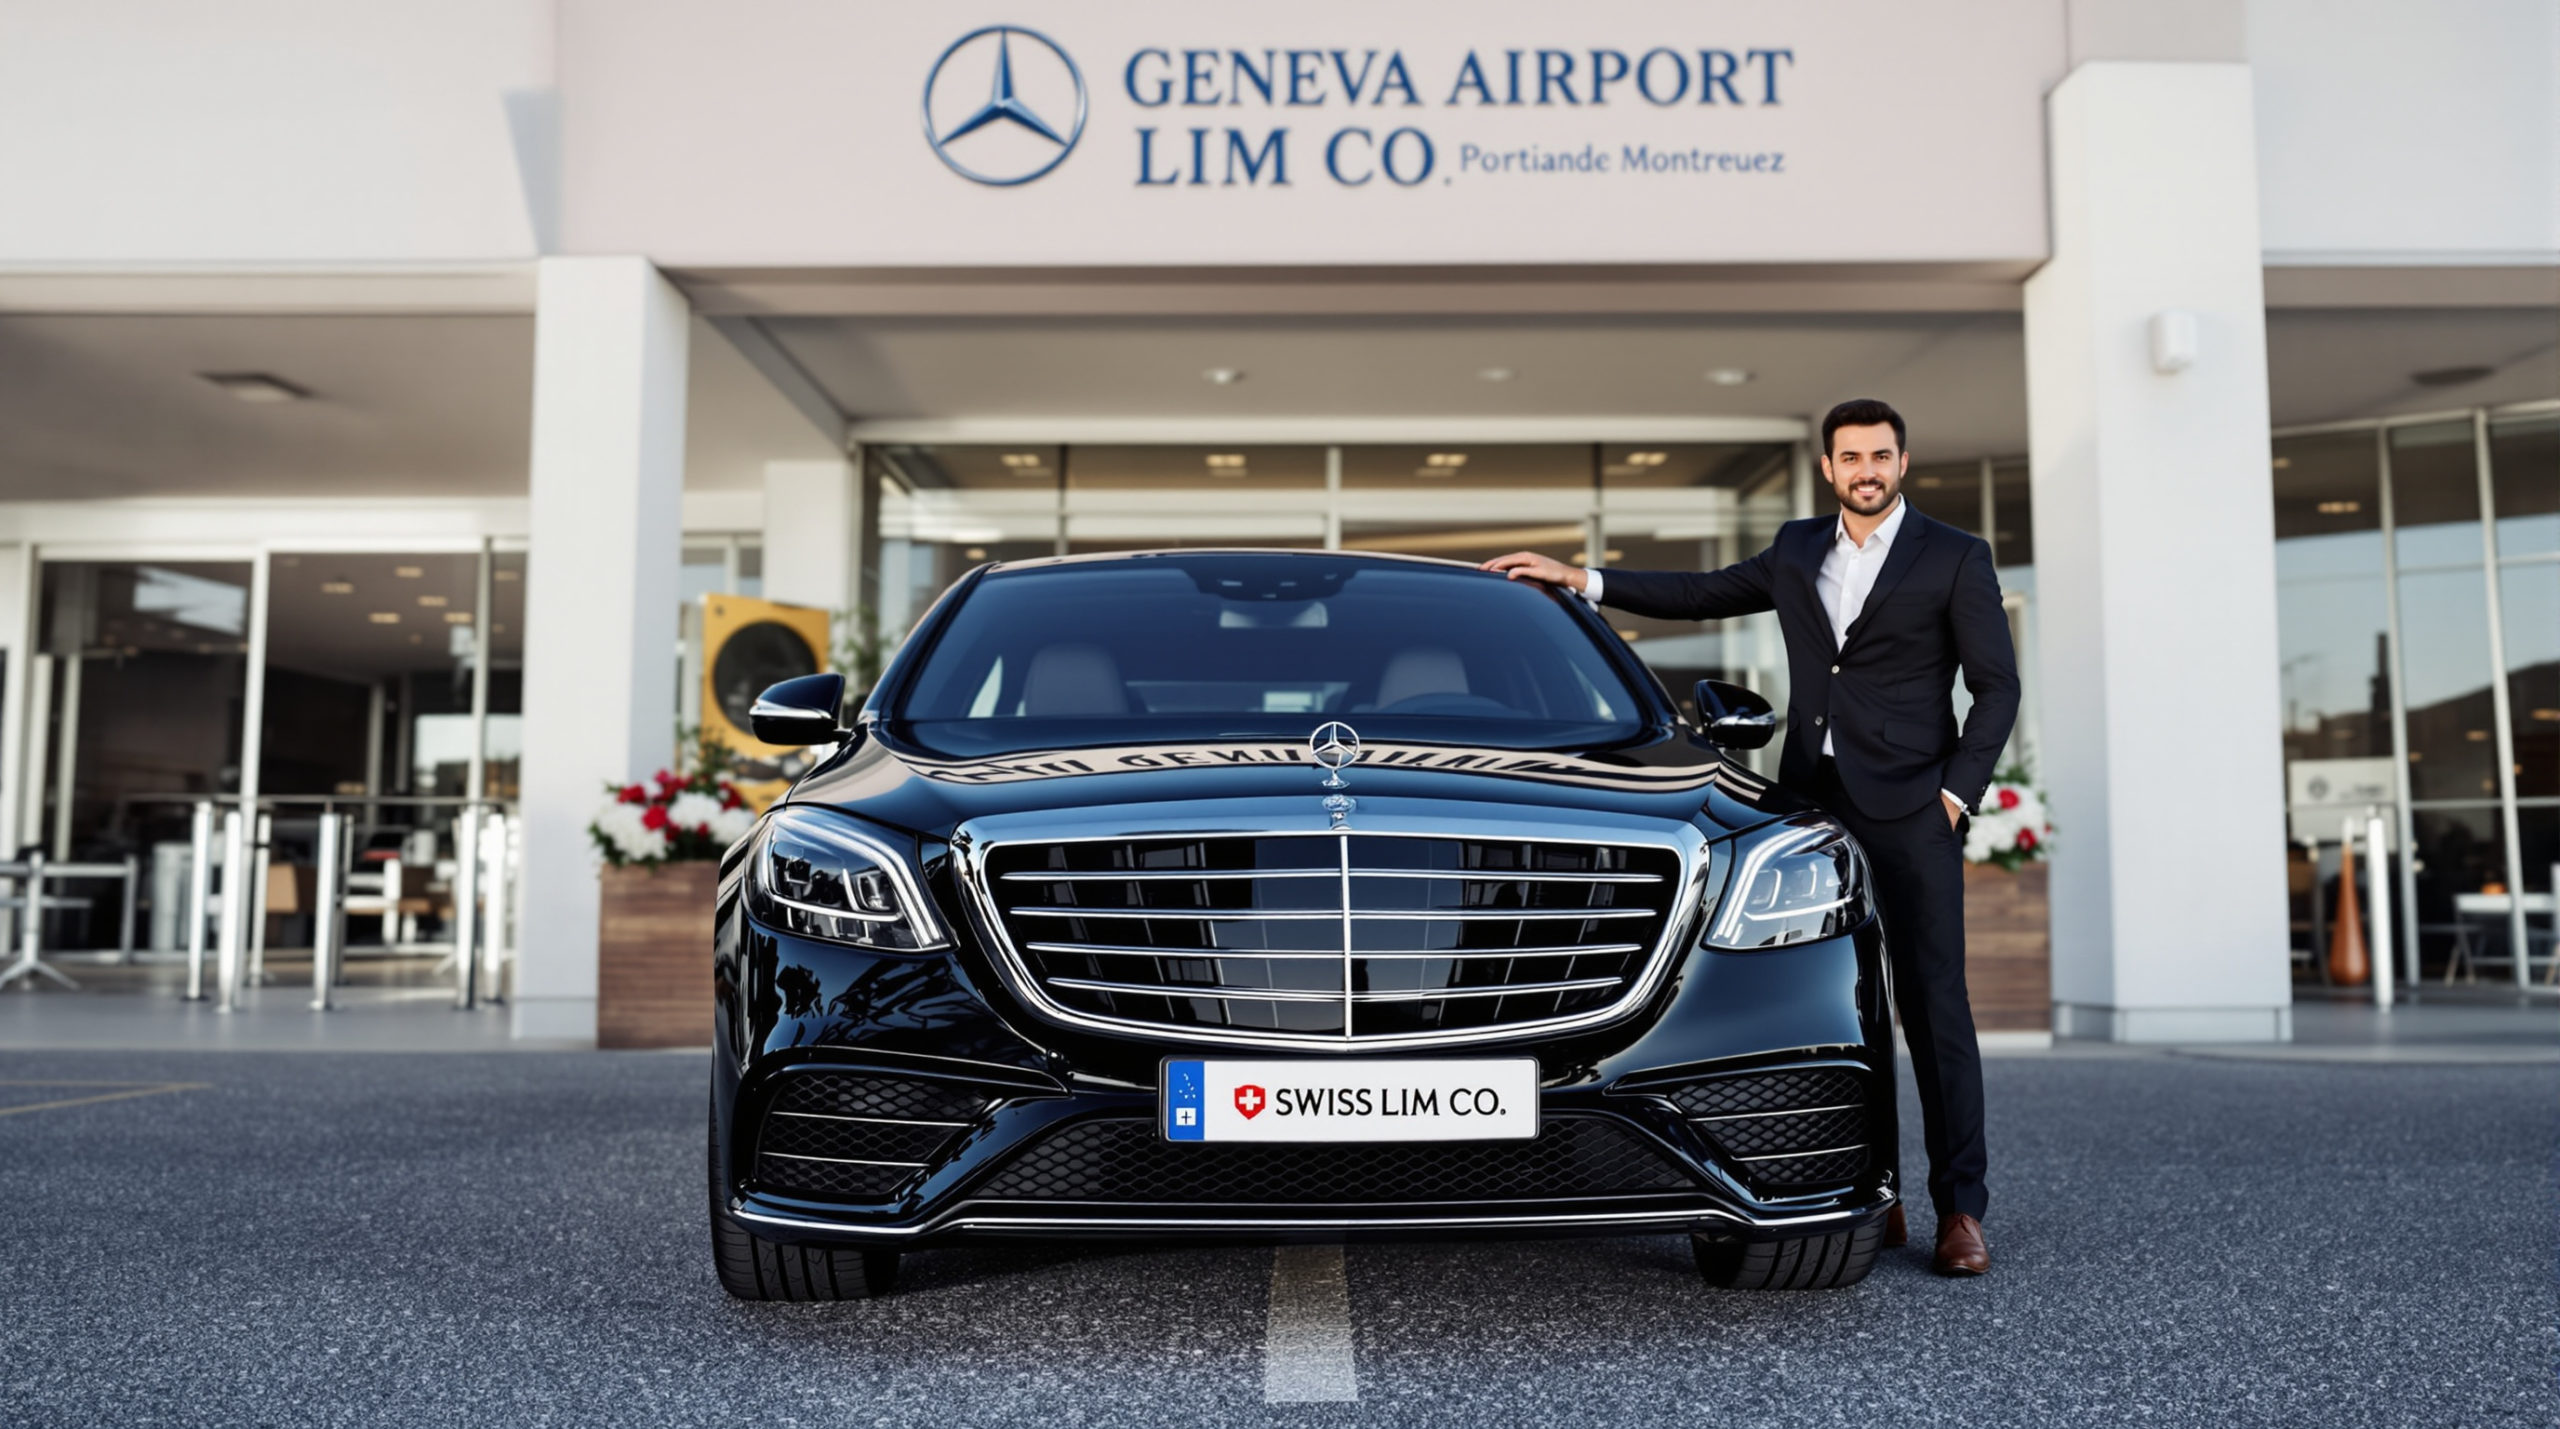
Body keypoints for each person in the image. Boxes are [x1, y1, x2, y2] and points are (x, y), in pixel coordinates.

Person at [1483, 397, 2018, 1277]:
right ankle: (1870, 1193)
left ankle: (1960, 1208)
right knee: (1843, 1008)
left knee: (1934, 1008)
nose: (1867, 470)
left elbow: (1996, 687)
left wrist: (1956, 797)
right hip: (1813, 802)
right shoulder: (1800, 548)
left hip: (1914, 809)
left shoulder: (1956, 555)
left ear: (1903, 463)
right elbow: (1700, 594)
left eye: (1881, 456)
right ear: (1830, 467)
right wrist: (1582, 579)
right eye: (1852, 458)